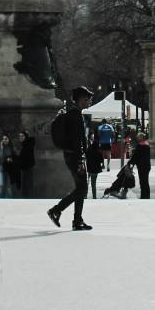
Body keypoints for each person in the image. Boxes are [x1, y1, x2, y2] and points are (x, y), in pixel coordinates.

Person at [47, 86, 93, 231]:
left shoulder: (73, 113)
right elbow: (76, 140)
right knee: (82, 188)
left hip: (72, 155)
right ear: (81, 100)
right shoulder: (75, 116)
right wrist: (80, 160)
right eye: (88, 99)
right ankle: (56, 210)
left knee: (81, 188)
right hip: (75, 157)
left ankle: (77, 221)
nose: (90, 101)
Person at [131, 131, 153, 198]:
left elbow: (136, 156)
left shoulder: (141, 146)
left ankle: (144, 195)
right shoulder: (146, 144)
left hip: (142, 166)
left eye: (138, 137)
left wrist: (130, 163)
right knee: (145, 181)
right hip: (146, 166)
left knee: (143, 181)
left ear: (142, 138)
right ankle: (146, 195)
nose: (137, 138)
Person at [14, 130, 36, 197]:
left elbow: (25, 157)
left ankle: (27, 199)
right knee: (27, 184)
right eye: (19, 136)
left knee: (27, 185)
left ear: (26, 137)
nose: (20, 137)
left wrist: (17, 155)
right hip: (26, 167)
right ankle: (27, 198)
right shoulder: (25, 144)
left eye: (22, 136)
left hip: (27, 167)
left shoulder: (26, 145)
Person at [85, 133, 105, 199]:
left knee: (87, 183)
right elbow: (101, 160)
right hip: (95, 170)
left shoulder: (89, 150)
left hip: (89, 168)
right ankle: (94, 196)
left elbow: (86, 157)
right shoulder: (98, 152)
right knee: (93, 184)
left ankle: (85, 195)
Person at [0, 134, 16, 198]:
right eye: (3, 139)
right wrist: (2, 148)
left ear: (9, 140)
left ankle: (9, 202)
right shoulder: (0, 148)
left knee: (9, 187)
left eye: (6, 139)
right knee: (0, 185)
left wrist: (11, 159)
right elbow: (0, 157)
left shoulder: (12, 148)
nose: (4, 140)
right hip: (1, 169)